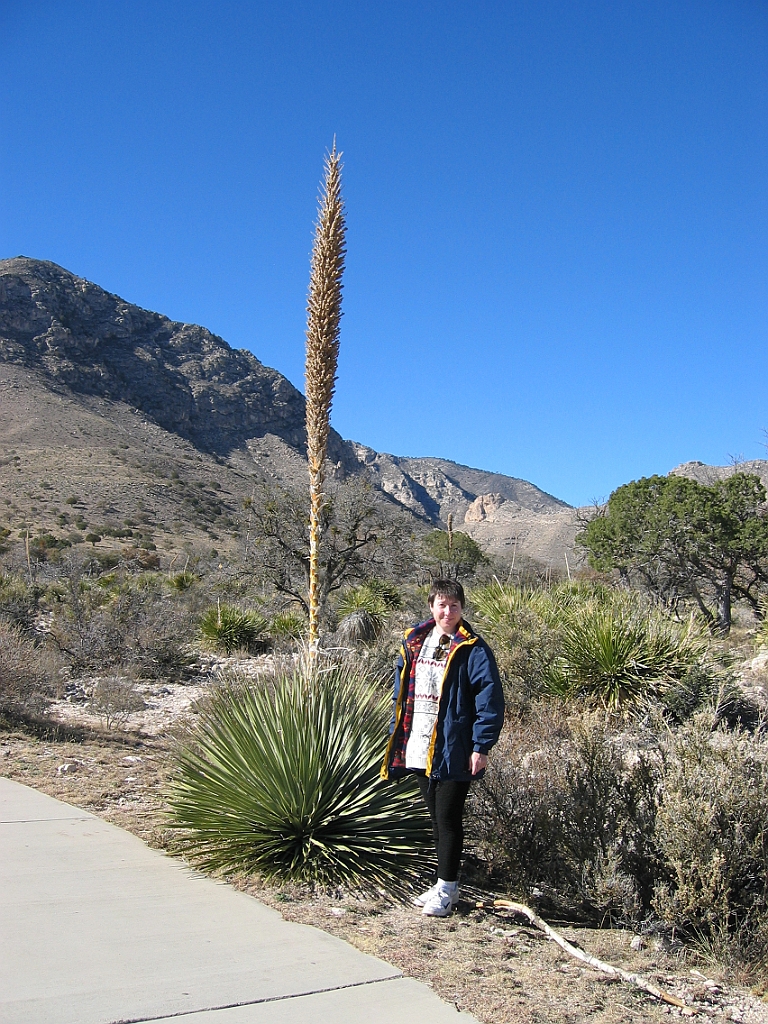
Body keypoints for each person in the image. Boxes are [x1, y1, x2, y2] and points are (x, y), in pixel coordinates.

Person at [381, 578, 505, 917]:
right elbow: (400, 694)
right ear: (431, 606)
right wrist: (397, 736)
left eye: (453, 605)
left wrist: (481, 745)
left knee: (449, 818)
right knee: (435, 816)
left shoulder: (473, 648)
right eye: (441, 604)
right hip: (420, 741)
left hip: (454, 745)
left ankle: (449, 889)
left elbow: (489, 699)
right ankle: (441, 883)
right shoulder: (416, 641)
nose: (447, 611)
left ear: (462, 608)